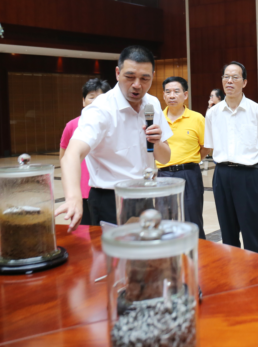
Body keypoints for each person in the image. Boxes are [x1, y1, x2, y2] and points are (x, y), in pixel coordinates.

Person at [56, 46, 172, 230]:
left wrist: (157, 142)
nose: (137, 85)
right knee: (112, 249)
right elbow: (71, 154)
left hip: (145, 195)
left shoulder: (153, 104)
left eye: (144, 78)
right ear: (117, 73)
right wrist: (73, 197)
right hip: (109, 199)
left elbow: (165, 158)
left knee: (145, 247)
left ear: (153, 76)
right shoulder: (100, 109)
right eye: (130, 77)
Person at [202, 61, 258, 255]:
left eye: (235, 77)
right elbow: (210, 145)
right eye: (226, 77)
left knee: (253, 233)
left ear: (244, 82)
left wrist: (247, 164)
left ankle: (256, 272)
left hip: (248, 175)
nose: (229, 81)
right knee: (228, 233)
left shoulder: (257, 111)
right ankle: (232, 271)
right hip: (221, 175)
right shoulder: (213, 113)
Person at [156, 76, 206, 239]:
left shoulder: (197, 118)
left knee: (192, 219)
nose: (172, 95)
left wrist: (191, 160)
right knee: (163, 221)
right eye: (168, 92)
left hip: (189, 174)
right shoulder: (157, 119)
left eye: (176, 91)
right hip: (163, 174)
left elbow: (206, 146)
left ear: (185, 95)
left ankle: (198, 252)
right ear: (163, 95)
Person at [59, 78, 111, 226]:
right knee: (82, 233)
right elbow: (64, 159)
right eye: (91, 97)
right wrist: (70, 194)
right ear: (83, 101)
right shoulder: (72, 125)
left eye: (101, 98)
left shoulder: (113, 124)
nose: (96, 102)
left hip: (105, 189)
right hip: (81, 191)